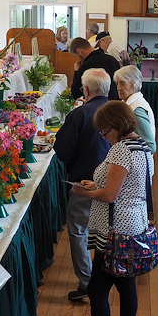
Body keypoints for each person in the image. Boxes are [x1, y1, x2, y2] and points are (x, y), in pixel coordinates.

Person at [66, 101, 153, 316]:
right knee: (127, 287)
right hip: (135, 224)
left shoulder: (120, 151)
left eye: (104, 132)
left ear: (116, 125)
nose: (103, 137)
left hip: (115, 230)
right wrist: (98, 185)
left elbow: (110, 196)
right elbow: (129, 187)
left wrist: (84, 192)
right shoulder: (144, 148)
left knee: (97, 289)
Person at [54, 69, 112, 300]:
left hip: (84, 184)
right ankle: (108, 277)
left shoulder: (80, 114)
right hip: (114, 183)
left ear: (85, 90)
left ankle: (87, 283)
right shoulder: (120, 112)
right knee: (107, 231)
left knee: (79, 230)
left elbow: (62, 150)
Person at [114, 65, 156, 154]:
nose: (118, 88)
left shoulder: (136, 110)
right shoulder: (128, 104)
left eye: (122, 83)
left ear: (134, 85)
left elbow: (150, 146)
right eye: (117, 83)